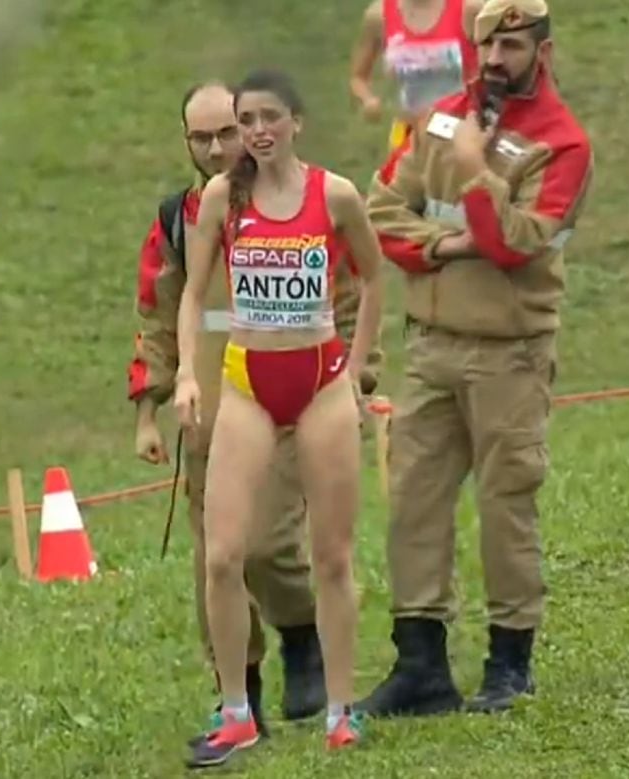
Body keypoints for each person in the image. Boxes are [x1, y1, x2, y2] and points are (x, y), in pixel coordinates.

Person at [357, 0, 594, 718]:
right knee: (414, 505)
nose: (494, 61)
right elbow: (379, 212)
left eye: (512, 47)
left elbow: (518, 244)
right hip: (431, 347)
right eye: (487, 46)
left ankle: (509, 663)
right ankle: (421, 665)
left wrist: (470, 177)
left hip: (509, 355)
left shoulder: (563, 146)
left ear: (541, 52)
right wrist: (443, 244)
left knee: (505, 508)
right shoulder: (437, 119)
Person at [126, 81, 382, 743]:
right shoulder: (182, 217)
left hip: (298, 391)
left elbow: (351, 286)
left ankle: (303, 637)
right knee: (216, 555)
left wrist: (357, 373)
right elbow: (157, 307)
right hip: (209, 408)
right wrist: (149, 406)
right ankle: (238, 694)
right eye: (202, 137)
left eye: (227, 133)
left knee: (273, 545)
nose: (217, 148)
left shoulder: (314, 199)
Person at [349, 0, 482, 150]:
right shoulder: (379, 15)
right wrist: (368, 100)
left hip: (461, 132)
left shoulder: (469, 9)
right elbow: (358, 77)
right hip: (408, 133)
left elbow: (496, 62)